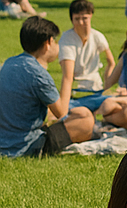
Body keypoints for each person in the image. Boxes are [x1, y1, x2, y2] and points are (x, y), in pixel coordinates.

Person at [0, 16, 95, 156]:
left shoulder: (9, 63)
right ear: (48, 43)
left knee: (82, 113)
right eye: (55, 41)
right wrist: (67, 78)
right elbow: (61, 112)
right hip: (26, 146)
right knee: (86, 123)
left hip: (4, 139)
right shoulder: (38, 74)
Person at [58, 0, 116, 113]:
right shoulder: (67, 39)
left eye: (84, 18)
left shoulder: (97, 36)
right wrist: (63, 106)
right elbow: (67, 76)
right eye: (77, 19)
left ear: (91, 16)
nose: (80, 23)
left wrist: (107, 86)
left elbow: (111, 62)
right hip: (77, 91)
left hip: (97, 89)